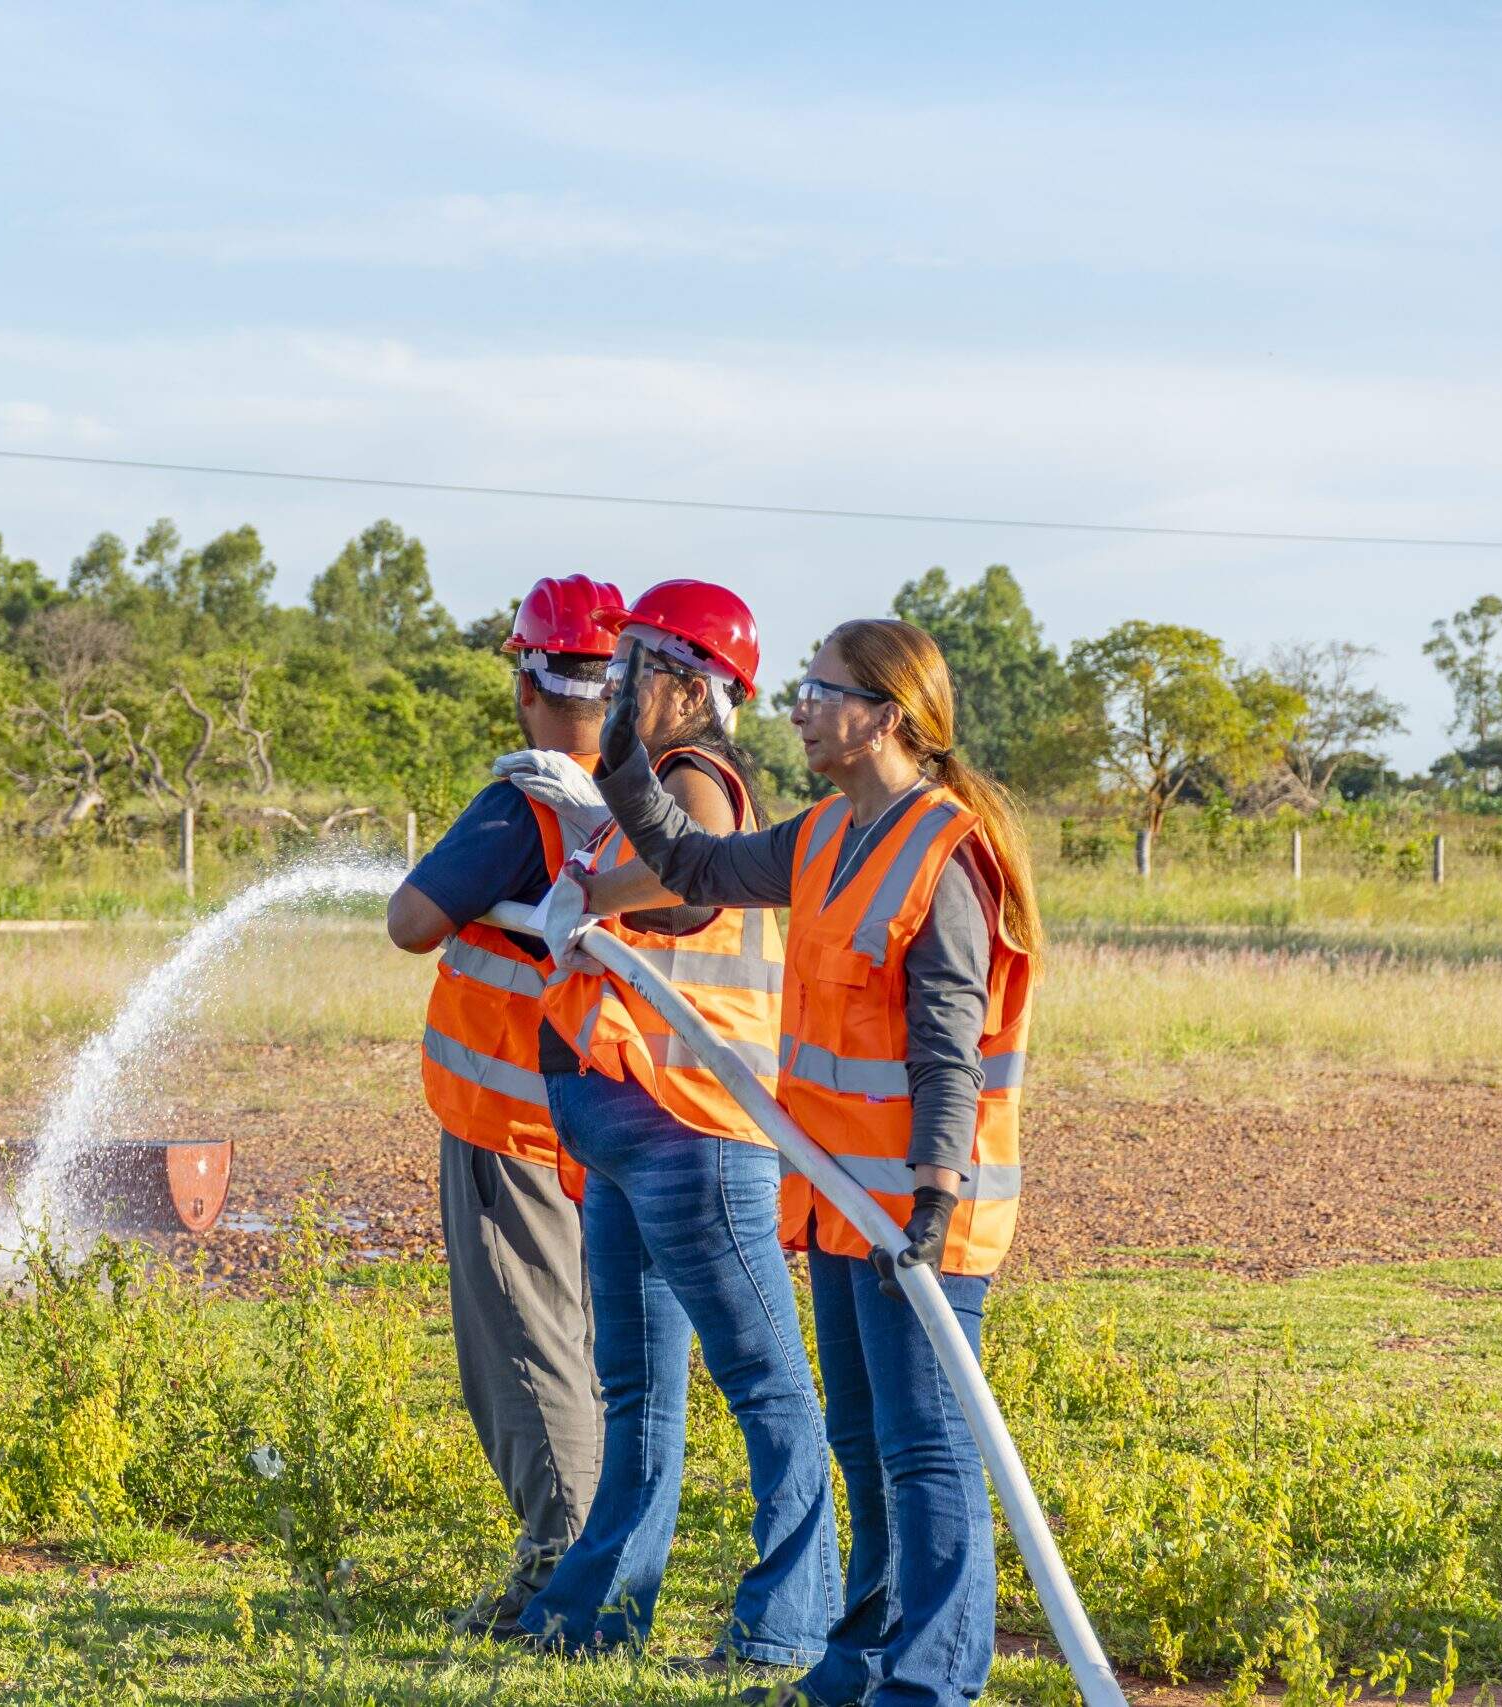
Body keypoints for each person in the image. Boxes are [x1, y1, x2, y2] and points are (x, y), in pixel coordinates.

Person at [553, 617, 1042, 1707]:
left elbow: (947, 1047)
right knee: (863, 1438)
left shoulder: (943, 855)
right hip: (836, 1198)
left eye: (822, 693)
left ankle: (931, 1682)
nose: (799, 710)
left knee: (926, 1446)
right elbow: (691, 866)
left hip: (918, 1210)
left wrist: (933, 1194)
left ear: (886, 718)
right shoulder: (824, 835)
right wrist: (626, 766)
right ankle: (857, 1664)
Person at [500, 582, 838, 1665]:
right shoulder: (644, 785)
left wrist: (592, 889)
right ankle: (593, 1615)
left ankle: (789, 1627)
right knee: (639, 1390)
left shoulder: (696, 776)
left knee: (767, 1388)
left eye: (638, 662)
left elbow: (690, 892)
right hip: (636, 1127)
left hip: (694, 1127)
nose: (615, 681)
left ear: (692, 688)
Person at [385, 573, 618, 1636]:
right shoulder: (646, 797)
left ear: (527, 681)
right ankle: (600, 1557)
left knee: (526, 1351)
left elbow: (411, 921)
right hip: (602, 1121)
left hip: (507, 1125)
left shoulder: (524, 800)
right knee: (590, 1346)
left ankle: (563, 1575)